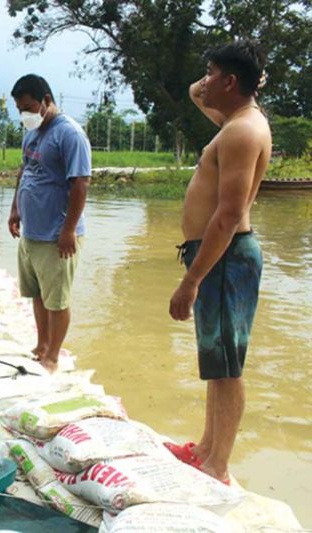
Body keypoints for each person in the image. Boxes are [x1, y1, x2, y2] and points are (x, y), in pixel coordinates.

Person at [167, 40, 271, 485]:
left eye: (211, 72)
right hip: (217, 259)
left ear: (230, 82)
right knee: (215, 360)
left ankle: (219, 466)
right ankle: (206, 448)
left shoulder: (243, 131)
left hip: (225, 259)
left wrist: (191, 280)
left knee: (227, 366)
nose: (203, 80)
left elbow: (228, 216)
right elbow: (196, 93)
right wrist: (236, 75)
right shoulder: (233, 120)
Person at [7, 74, 91, 373]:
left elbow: (80, 183)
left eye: (28, 107)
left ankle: (53, 356)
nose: (24, 114)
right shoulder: (32, 132)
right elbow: (25, 171)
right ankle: (41, 345)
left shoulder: (69, 134)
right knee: (37, 293)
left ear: (46, 101)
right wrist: (15, 208)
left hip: (57, 234)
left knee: (57, 299)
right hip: (32, 231)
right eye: (19, 109)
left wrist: (68, 230)